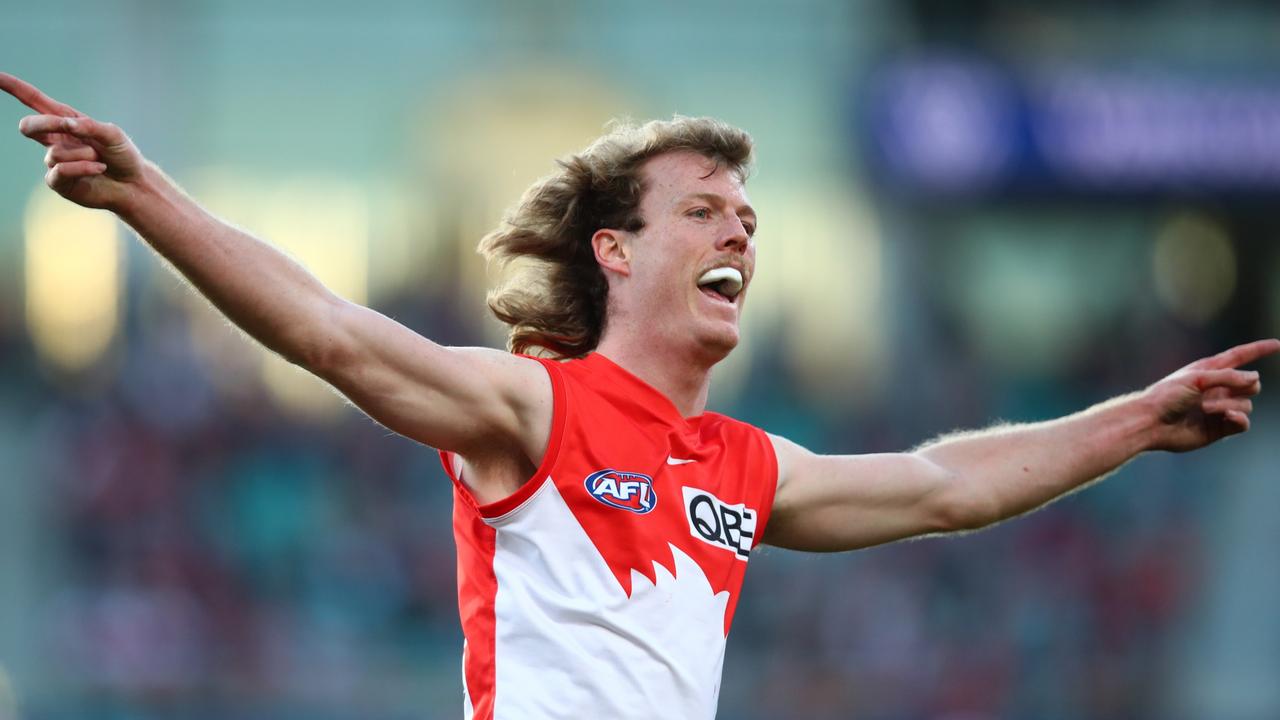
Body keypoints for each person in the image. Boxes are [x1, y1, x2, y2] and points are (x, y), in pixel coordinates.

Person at [3, 71, 1276, 719]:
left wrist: (1139, 419)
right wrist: (141, 193)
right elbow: (334, 335)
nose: (741, 233)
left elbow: (947, 485)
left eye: (749, 216)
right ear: (615, 250)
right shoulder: (534, 409)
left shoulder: (741, 462)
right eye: (703, 210)